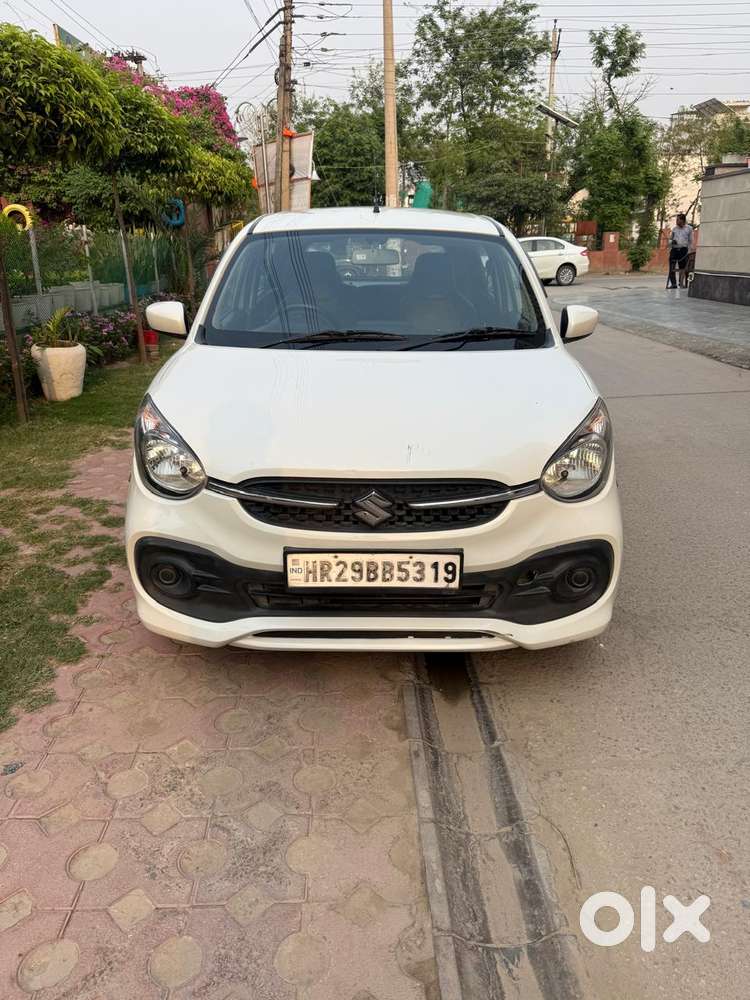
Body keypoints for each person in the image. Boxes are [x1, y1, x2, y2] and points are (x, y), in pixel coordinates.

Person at [667, 213, 693, 289]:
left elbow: (691, 241)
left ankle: (681, 283)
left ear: (683, 220)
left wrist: (689, 251)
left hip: (683, 250)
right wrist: (672, 242)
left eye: (678, 220)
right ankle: (673, 284)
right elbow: (670, 240)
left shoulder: (689, 229)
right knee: (672, 266)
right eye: (676, 220)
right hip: (674, 250)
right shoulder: (674, 229)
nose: (676, 221)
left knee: (683, 267)